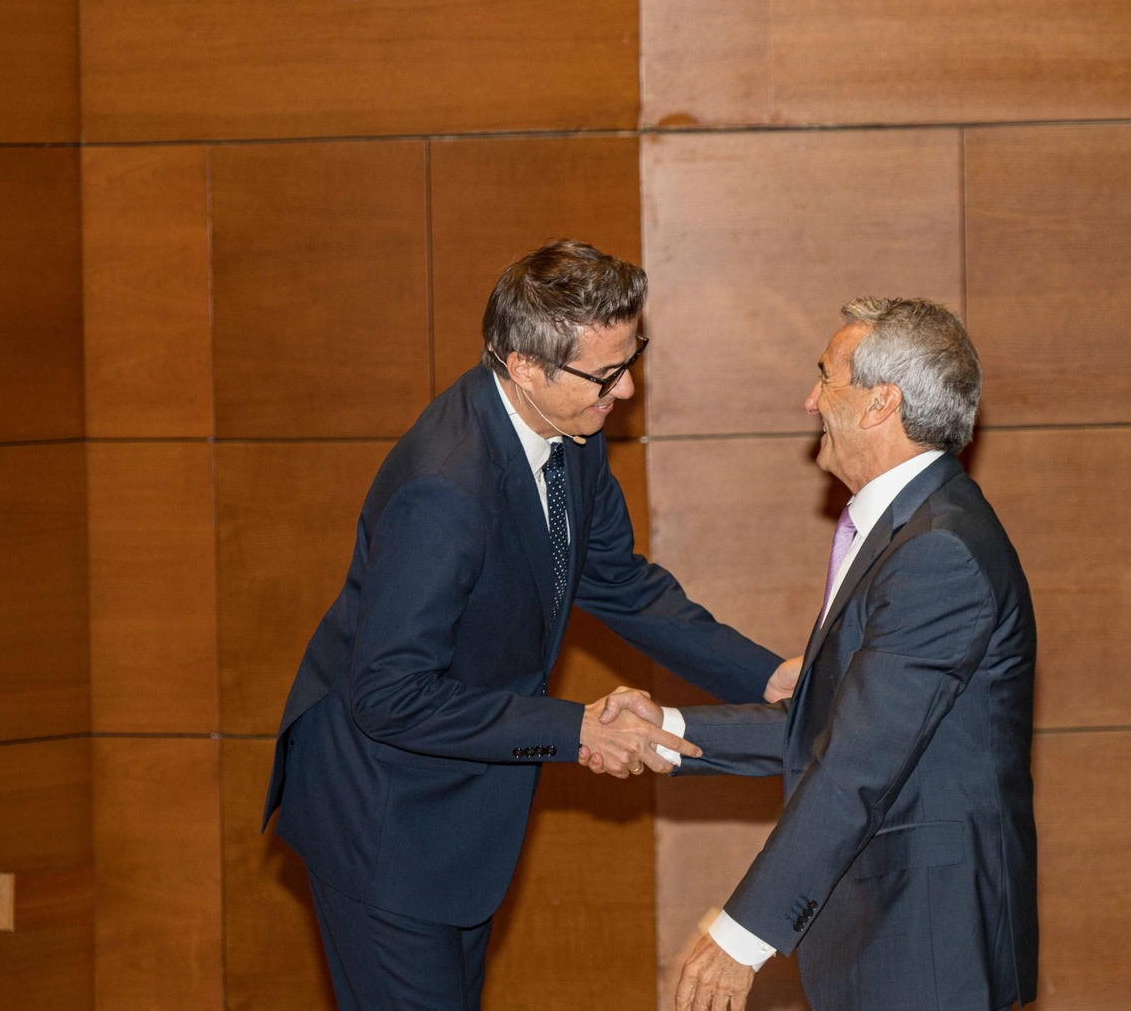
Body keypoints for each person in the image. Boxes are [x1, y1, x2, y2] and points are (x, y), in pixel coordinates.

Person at [261, 239, 800, 1011]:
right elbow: (387, 692)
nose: (627, 388)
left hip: (462, 807)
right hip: (385, 817)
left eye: (632, 357)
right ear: (522, 364)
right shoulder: (444, 490)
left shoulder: (571, 426)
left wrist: (766, 675)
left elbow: (617, 581)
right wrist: (576, 728)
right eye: (606, 373)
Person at [596, 297, 1037, 1011]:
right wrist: (669, 730)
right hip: (891, 929)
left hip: (925, 939)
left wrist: (741, 938)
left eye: (827, 378)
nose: (810, 401)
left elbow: (857, 762)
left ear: (879, 404)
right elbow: (836, 724)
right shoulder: (909, 531)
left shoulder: (938, 553)